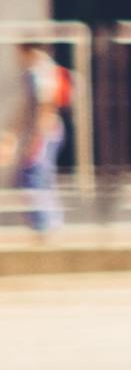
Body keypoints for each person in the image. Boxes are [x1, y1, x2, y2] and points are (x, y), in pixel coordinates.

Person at [17, 40, 70, 235]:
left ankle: (44, 225)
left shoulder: (38, 72)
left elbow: (44, 106)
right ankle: (50, 223)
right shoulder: (46, 69)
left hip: (45, 131)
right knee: (43, 176)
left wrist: (35, 139)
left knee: (34, 175)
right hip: (49, 130)